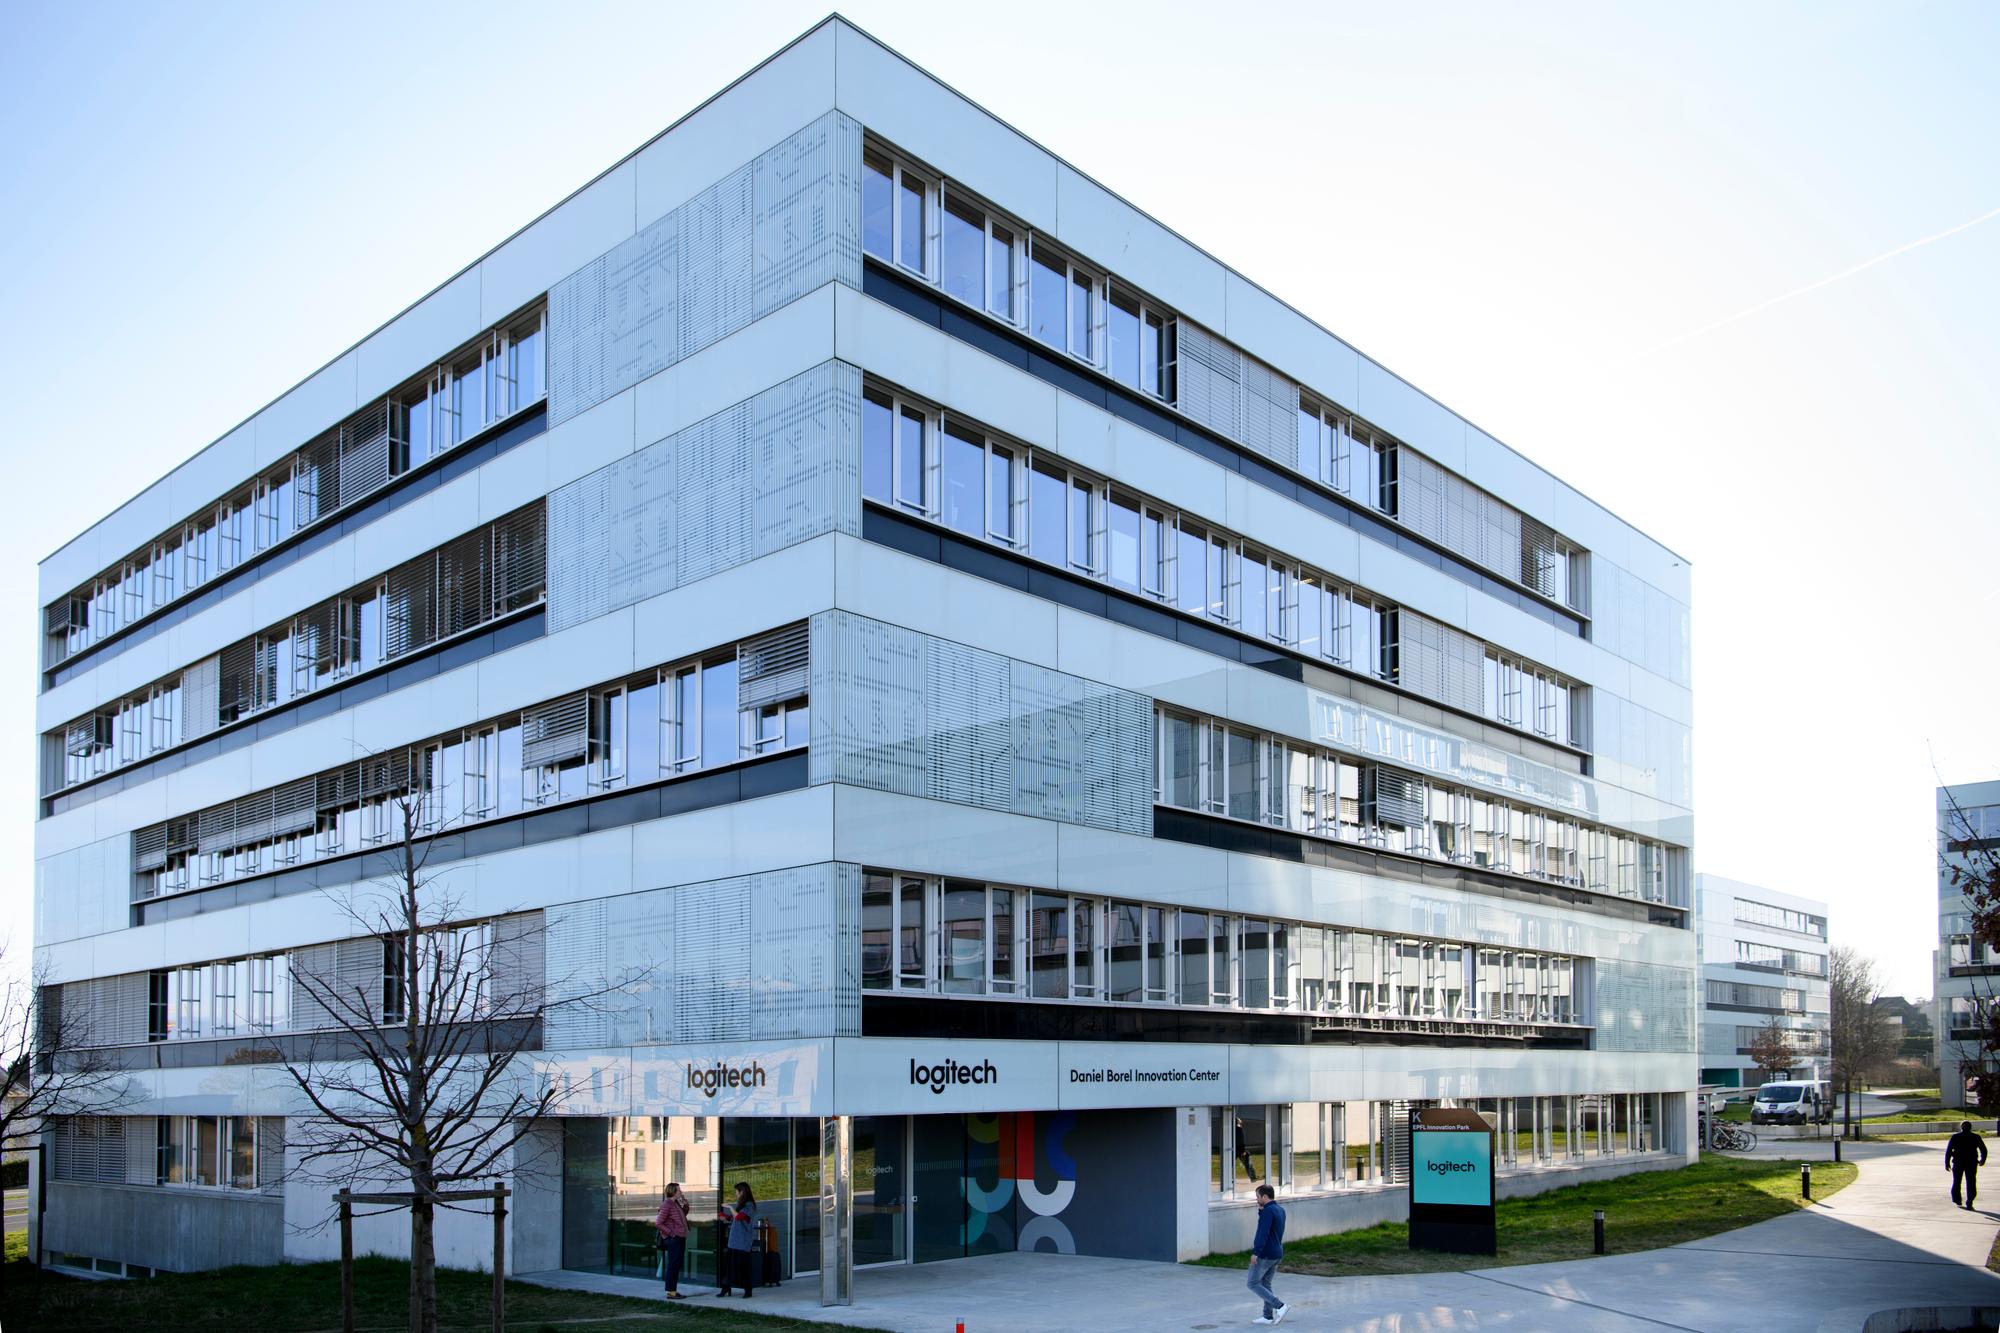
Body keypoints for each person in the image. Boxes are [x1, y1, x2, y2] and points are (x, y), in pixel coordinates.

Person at [1247, 1183, 1288, 1326]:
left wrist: (1256, 1252)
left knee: (1252, 1283)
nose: (1256, 1199)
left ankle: (1280, 1306)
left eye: (1258, 1197)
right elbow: (1272, 1229)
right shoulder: (1279, 1210)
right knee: (1265, 1283)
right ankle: (1267, 1316)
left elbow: (1262, 1233)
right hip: (1277, 1252)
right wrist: (1261, 1212)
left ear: (1265, 1196)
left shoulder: (1268, 1212)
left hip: (1265, 1254)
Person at [717, 1181, 758, 1298]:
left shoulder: (749, 1205)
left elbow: (739, 1217)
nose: (736, 1194)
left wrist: (729, 1207)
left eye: (737, 1191)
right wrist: (724, 1217)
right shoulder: (741, 1205)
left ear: (742, 1192)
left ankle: (747, 1290)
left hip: (743, 1242)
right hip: (734, 1242)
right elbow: (734, 1217)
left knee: (743, 1267)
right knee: (729, 1266)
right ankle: (725, 1288)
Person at [653, 1182, 689, 1299]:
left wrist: (685, 1203)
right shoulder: (667, 1204)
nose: (681, 1192)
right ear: (673, 1191)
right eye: (679, 1190)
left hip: (680, 1237)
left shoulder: (675, 1203)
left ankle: (672, 1290)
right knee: (673, 1264)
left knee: (676, 1264)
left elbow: (684, 1214)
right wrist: (671, 1233)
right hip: (674, 1238)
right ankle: (671, 1291)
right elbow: (658, 1223)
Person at [1947, 1121, 1988, 1210]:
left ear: (1961, 1127)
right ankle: (1969, 1201)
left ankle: (1957, 1199)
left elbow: (1949, 1150)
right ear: (1970, 1127)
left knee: (1957, 1181)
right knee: (1971, 1182)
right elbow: (1983, 1150)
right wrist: (1982, 1160)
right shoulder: (1975, 1137)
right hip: (1971, 1162)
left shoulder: (1955, 1137)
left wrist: (1947, 1163)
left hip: (1958, 1162)